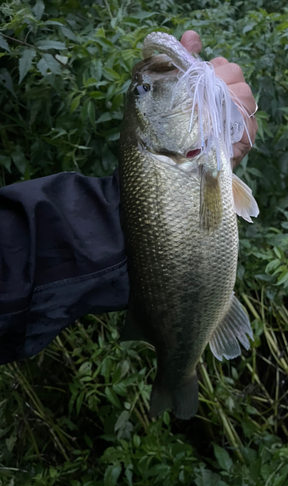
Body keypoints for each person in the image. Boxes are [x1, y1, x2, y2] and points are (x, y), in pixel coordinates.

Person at [0, 31, 258, 365]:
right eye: (144, 90)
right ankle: (177, 372)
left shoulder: (187, 151)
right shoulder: (182, 152)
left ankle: (177, 368)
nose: (149, 83)